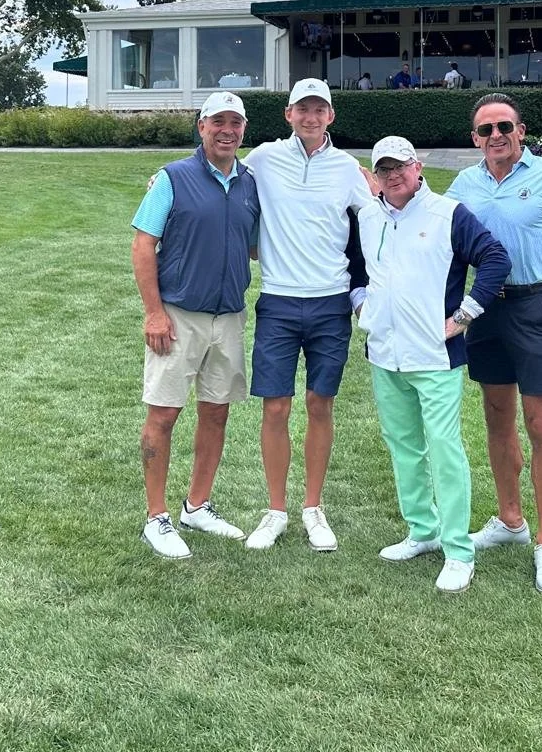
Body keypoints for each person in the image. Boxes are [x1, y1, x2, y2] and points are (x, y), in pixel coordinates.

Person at [446, 93, 542, 595]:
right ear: (475, 138)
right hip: (485, 308)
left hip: (535, 306)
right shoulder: (465, 184)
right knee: (496, 414)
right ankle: (510, 520)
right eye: (486, 130)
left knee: (541, 421)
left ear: (521, 130)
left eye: (504, 126)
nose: (496, 136)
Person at [353, 136, 509, 594]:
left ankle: (458, 550)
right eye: (384, 170)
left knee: (444, 447)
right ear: (376, 176)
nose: (393, 176)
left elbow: (495, 258)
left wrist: (464, 315)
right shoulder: (367, 215)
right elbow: (358, 268)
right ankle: (422, 530)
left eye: (400, 167)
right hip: (385, 352)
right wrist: (362, 303)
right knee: (404, 446)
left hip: (435, 355)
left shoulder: (448, 213)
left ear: (417, 167)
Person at [243, 79, 374, 552]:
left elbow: (381, 212)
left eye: (319, 109)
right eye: (303, 109)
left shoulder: (346, 169)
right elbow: (219, 176)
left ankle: (313, 508)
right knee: (275, 406)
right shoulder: (262, 158)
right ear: (288, 114)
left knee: (320, 404)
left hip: (331, 302)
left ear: (331, 117)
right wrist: (167, 177)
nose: (311, 117)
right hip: (278, 300)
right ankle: (276, 510)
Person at [130, 91, 261, 558]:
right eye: (217, 122)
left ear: (244, 129)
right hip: (179, 315)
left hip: (228, 316)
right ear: (201, 126)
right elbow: (144, 245)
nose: (227, 130)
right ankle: (157, 517)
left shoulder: (248, 181)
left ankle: (197, 505)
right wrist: (154, 312)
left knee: (216, 411)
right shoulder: (171, 178)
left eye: (236, 123)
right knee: (164, 414)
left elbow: (252, 245)